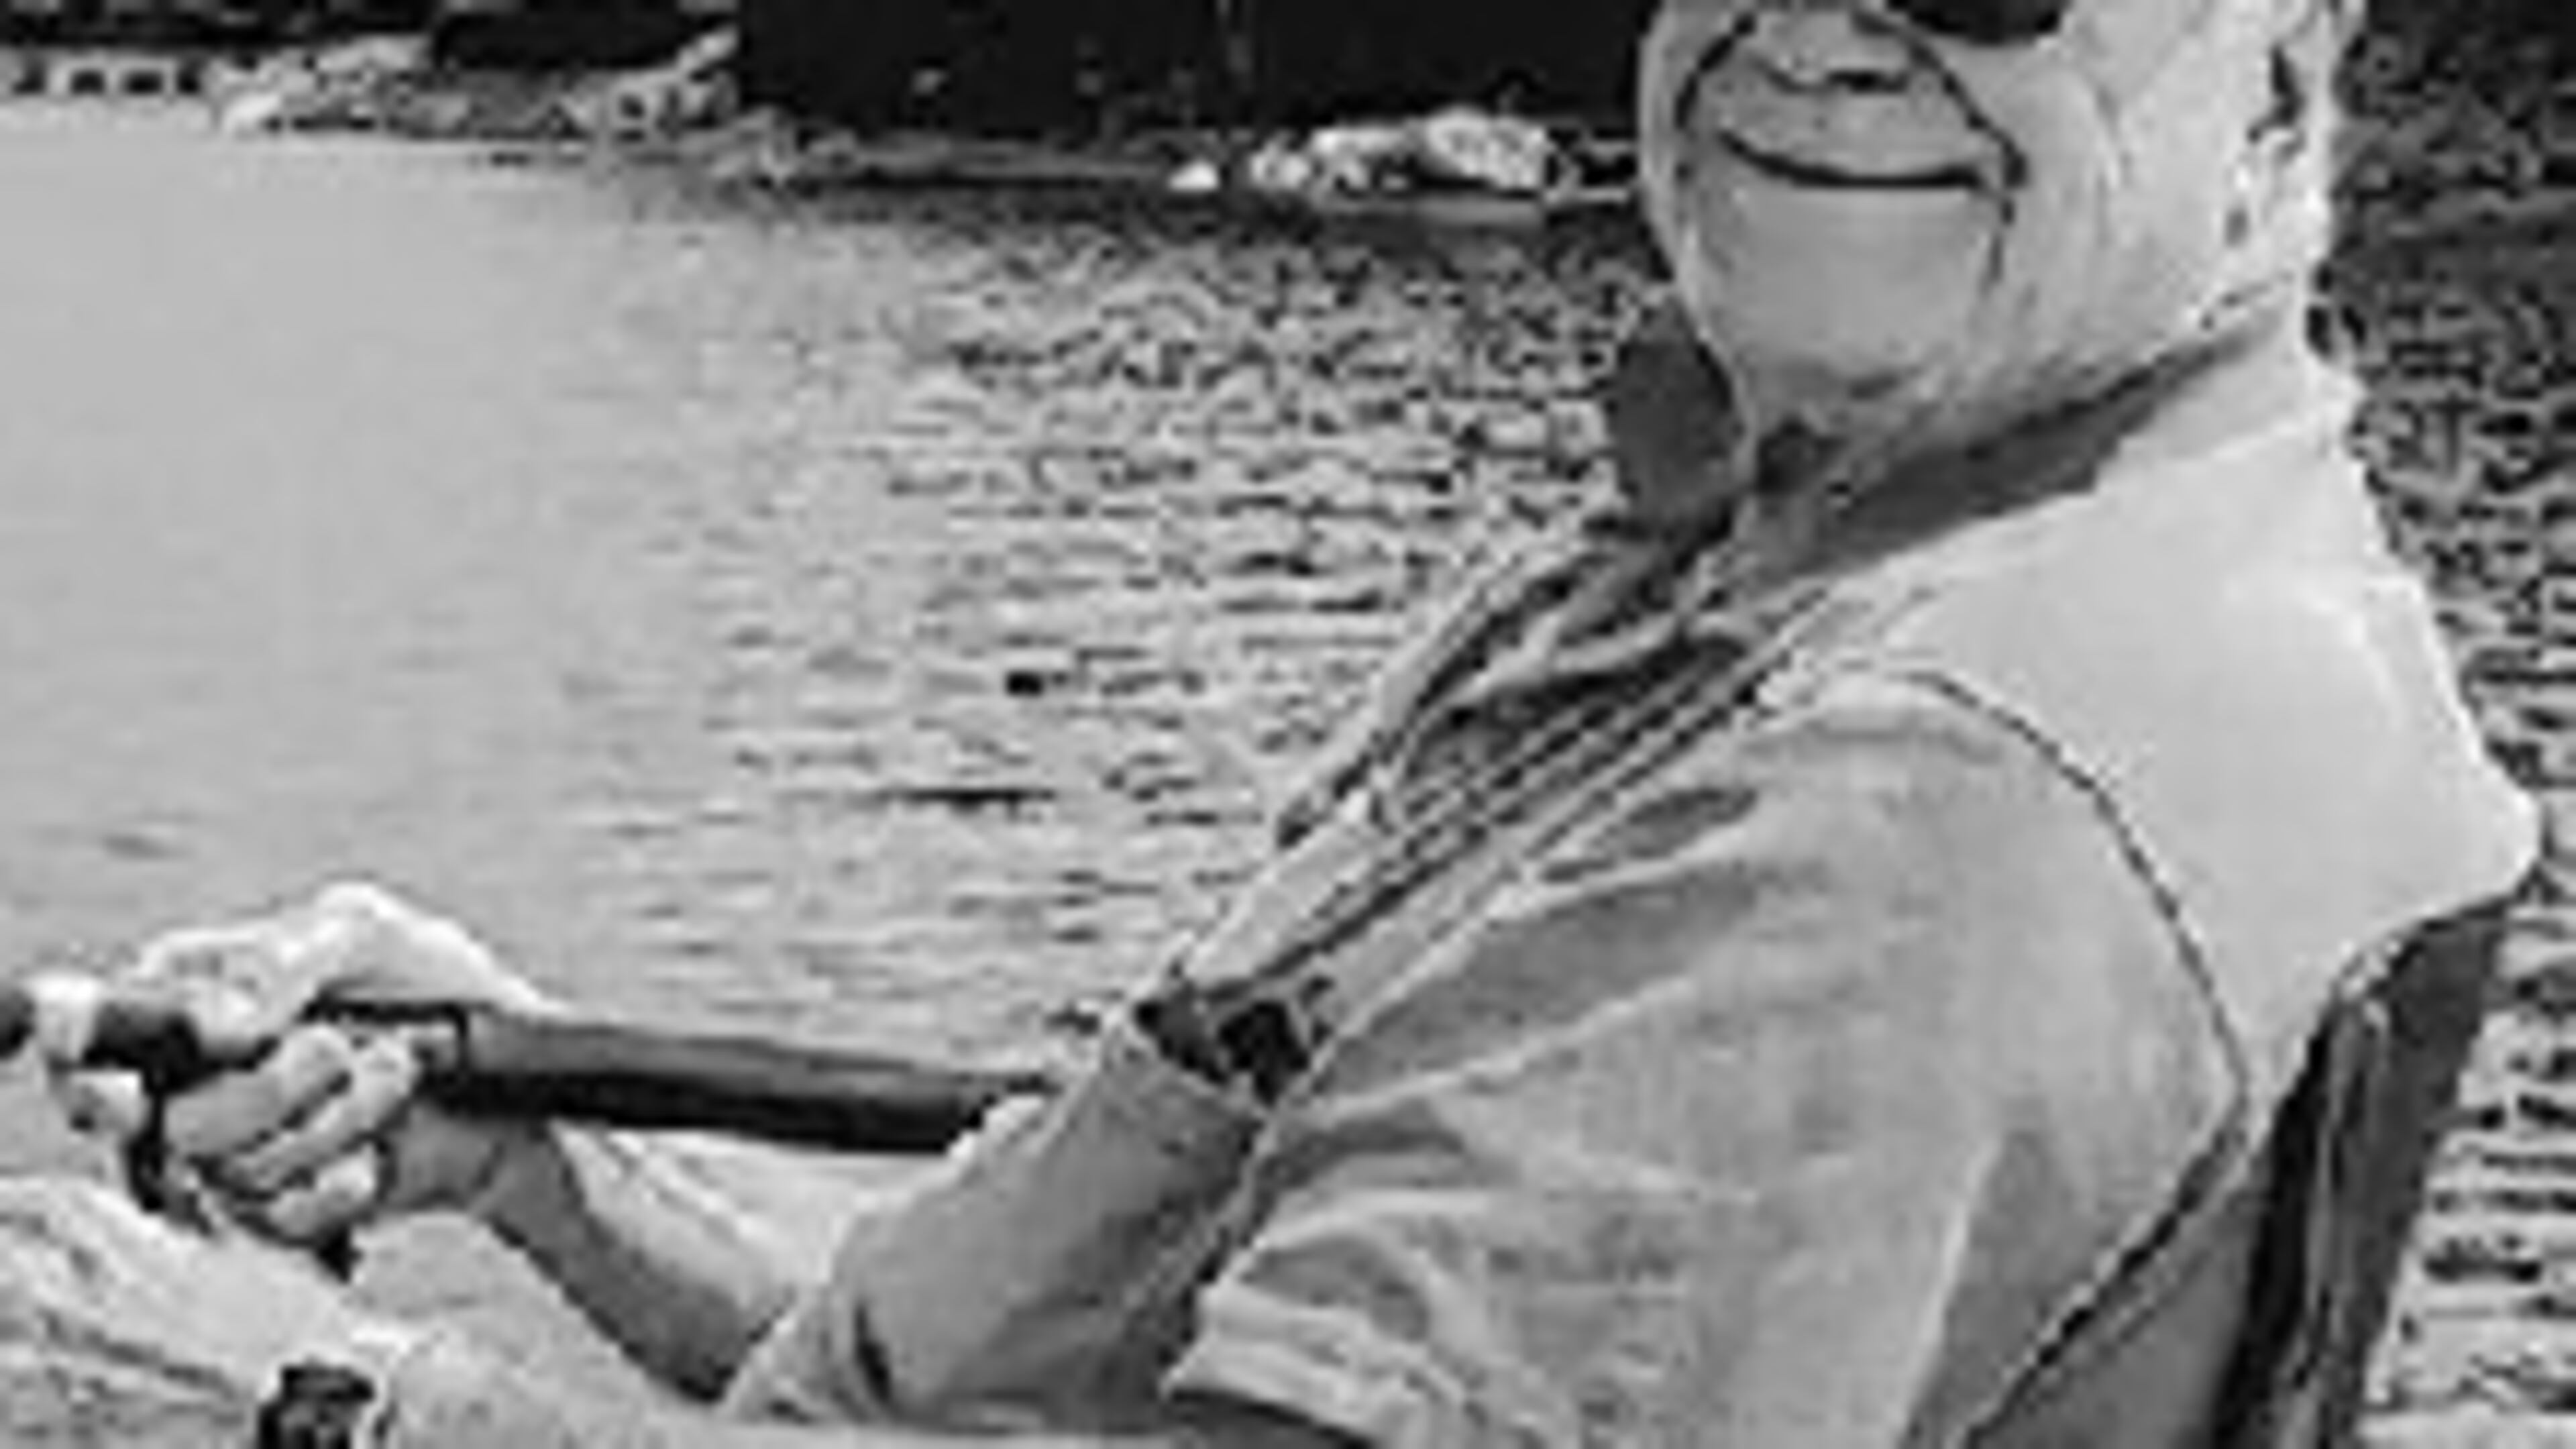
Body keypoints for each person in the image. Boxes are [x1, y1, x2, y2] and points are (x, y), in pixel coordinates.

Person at [5, 0, 2542, 1442]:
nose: (1812, 29)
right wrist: (552, 1151)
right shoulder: (1946, 575)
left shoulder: (1925, 794)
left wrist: (302, 1404)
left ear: (2285, 79)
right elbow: (1108, 1370)